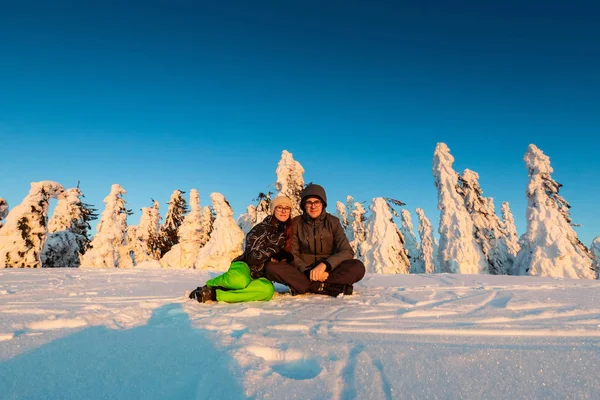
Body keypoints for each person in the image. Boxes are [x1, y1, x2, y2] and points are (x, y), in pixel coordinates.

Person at [189, 195, 295, 303]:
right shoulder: (261, 229)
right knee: (240, 281)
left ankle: (215, 294)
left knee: (267, 291)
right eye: (279, 207)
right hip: (245, 266)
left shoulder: (290, 233)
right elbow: (252, 258)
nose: (283, 211)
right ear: (273, 210)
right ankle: (210, 284)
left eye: (287, 208)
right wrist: (275, 252)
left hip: (262, 275)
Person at [265, 183, 365, 297]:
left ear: (323, 204)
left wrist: (325, 265)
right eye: (309, 202)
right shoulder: (295, 223)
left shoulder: (333, 222)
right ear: (304, 205)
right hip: (302, 272)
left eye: (317, 202)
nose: (313, 206)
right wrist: (307, 272)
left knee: (357, 267)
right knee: (271, 267)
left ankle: (309, 286)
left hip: (328, 272)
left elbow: (346, 251)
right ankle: (324, 287)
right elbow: (293, 254)